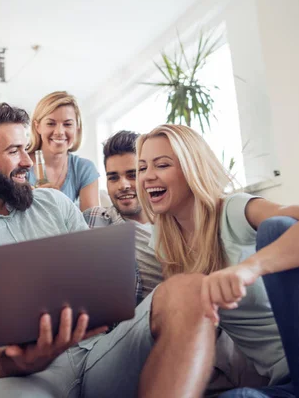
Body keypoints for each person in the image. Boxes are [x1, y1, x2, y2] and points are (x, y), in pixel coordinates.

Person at [0, 103, 222, 398]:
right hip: (17, 374)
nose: (29, 161)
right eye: (14, 151)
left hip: (97, 353)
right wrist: (30, 357)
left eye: (27, 148)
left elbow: (97, 289)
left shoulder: (54, 204)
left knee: (188, 289)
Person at [136, 124, 299, 397]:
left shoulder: (233, 211)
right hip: (289, 380)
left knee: (278, 228)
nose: (147, 177)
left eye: (161, 165)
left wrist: (249, 269)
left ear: (192, 168)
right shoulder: (164, 242)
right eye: (142, 168)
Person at [84, 130, 266, 397]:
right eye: (113, 177)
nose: (123, 184)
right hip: (139, 334)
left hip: (210, 331)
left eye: (132, 173)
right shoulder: (96, 220)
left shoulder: (180, 222)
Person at [26, 91, 99, 211]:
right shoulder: (21, 166)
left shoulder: (84, 168)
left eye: (67, 124)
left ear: (77, 128)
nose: (59, 131)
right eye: (51, 123)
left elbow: (92, 223)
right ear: (37, 126)